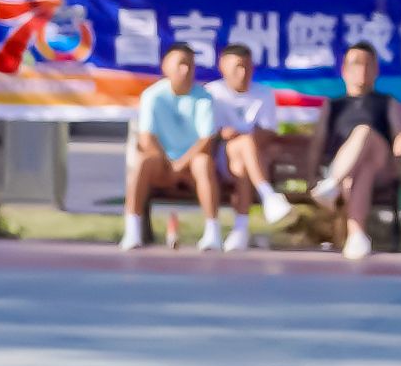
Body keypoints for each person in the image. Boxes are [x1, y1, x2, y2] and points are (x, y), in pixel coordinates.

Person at [118, 43, 220, 253]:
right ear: (166, 66)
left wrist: (181, 164)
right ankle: (132, 231)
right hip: (161, 164)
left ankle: (213, 233)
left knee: (203, 163)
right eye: (180, 64)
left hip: (190, 165)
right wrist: (168, 162)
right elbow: (147, 138)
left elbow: (206, 140)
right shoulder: (152, 96)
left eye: (190, 65)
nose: (186, 70)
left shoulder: (204, 97)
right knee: (142, 161)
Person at [309, 43, 401, 264]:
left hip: (383, 164)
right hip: (347, 168)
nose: (362, 70)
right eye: (356, 64)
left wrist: (398, 161)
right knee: (363, 168)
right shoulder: (333, 105)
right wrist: (310, 174)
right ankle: (357, 235)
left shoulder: (387, 102)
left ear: (376, 70)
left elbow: (400, 135)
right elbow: (318, 142)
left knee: (364, 131)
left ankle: (331, 184)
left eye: (368, 64)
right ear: (344, 70)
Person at [200, 42, 285, 254]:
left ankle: (241, 229)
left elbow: (268, 133)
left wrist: (245, 136)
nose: (243, 73)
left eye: (247, 67)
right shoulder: (211, 93)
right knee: (243, 147)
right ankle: (267, 196)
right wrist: (223, 134)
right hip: (221, 160)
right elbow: (207, 133)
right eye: (237, 67)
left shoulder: (264, 93)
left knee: (243, 159)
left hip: (250, 159)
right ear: (223, 66)